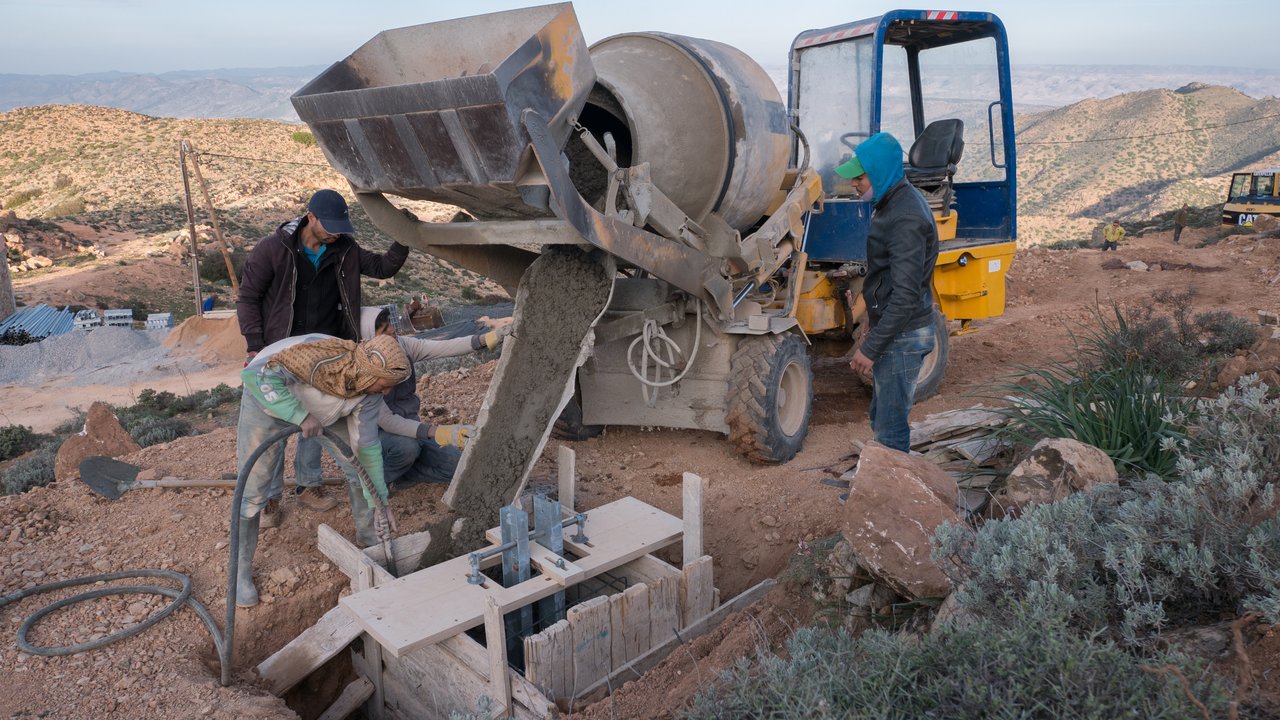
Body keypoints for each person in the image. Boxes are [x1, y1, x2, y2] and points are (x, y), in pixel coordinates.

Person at [236, 189, 410, 525]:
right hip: (283, 350)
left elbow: (383, 267)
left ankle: (308, 485)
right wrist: (255, 344)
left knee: (316, 422)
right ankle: (270, 497)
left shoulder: (345, 250)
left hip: (327, 353)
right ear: (310, 217)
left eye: (340, 228)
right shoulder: (273, 249)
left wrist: (405, 236)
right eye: (330, 226)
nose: (335, 234)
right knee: (275, 425)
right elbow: (248, 298)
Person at [234, 333, 410, 607]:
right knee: (253, 489)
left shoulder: (370, 392)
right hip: (268, 401)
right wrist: (301, 416)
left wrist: (381, 503)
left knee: (356, 468)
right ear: (368, 371)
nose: (387, 393)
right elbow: (255, 375)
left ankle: (369, 536)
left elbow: (367, 449)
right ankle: (240, 572)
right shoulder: (318, 358)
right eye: (385, 385)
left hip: (323, 410)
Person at [838, 132, 939, 453]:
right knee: (881, 416)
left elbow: (906, 295)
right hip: (896, 330)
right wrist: (872, 316)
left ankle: (891, 481)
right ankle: (883, 474)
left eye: (860, 177)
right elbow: (888, 278)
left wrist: (870, 349)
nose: (854, 183)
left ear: (879, 173)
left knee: (890, 429)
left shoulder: (905, 217)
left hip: (904, 336)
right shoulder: (891, 203)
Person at [359, 306, 511, 488]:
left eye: (389, 324)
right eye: (384, 330)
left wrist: (484, 339)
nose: (392, 329)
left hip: (411, 427)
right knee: (406, 447)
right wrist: (437, 432)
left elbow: (443, 347)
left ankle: (404, 475)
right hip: (380, 437)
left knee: (456, 465)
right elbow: (387, 422)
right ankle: (378, 483)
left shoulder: (402, 345)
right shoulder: (365, 370)